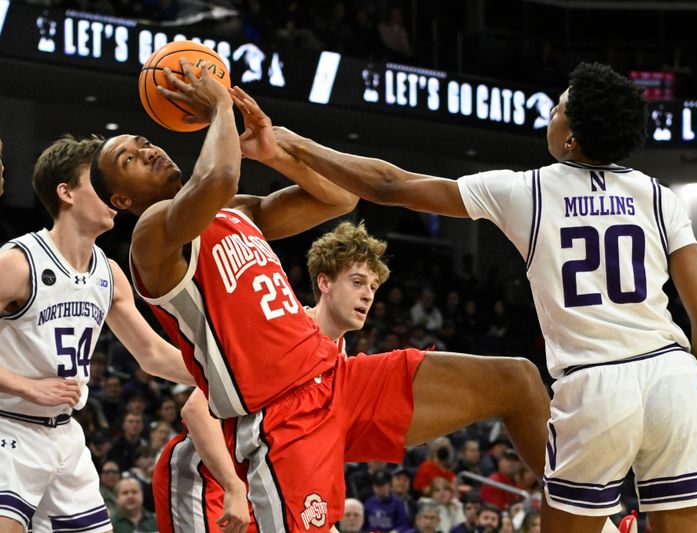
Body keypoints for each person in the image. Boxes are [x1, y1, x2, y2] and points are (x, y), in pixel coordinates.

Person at [90, 60, 551, 532]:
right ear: (121, 200)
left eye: (143, 142)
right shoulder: (152, 236)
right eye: (129, 159)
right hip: (282, 415)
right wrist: (220, 107)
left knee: (516, 380)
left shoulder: (233, 212)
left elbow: (338, 198)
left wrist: (274, 152)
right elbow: (218, 179)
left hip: (340, 378)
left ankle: (592, 518)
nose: (147, 152)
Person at [273, 61, 697, 533]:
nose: (550, 115)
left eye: (558, 110)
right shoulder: (659, 197)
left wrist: (299, 144)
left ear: (571, 138)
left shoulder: (527, 190)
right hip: (672, 379)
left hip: (595, 386)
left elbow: (390, 185)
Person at [0, 135, 194, 533]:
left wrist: (228, 376)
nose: (113, 192)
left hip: (66, 438)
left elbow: (153, 355)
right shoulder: (18, 262)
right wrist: (25, 386)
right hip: (8, 427)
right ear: (66, 192)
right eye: (99, 181)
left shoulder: (109, 273)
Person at [152, 220, 392, 533]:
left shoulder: (340, 357)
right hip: (207, 477)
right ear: (325, 283)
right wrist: (233, 486)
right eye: (358, 282)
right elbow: (197, 411)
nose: (367, 296)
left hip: (257, 483)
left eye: (373, 287)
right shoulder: (283, 335)